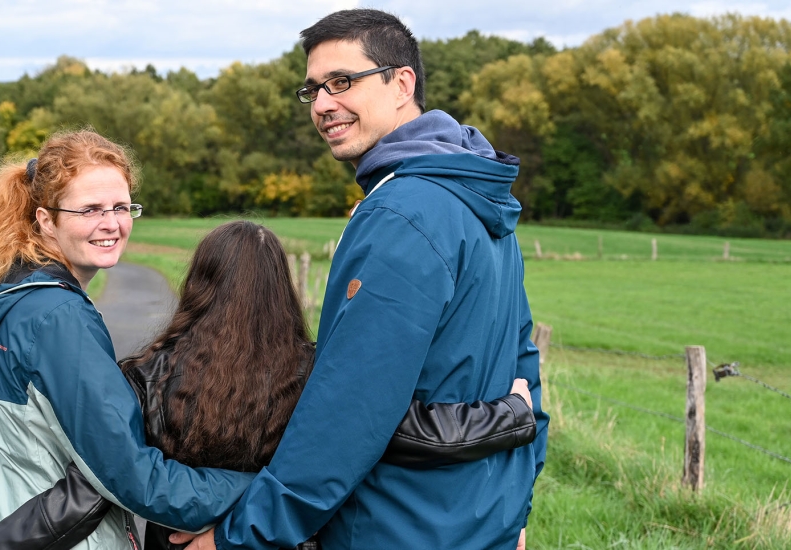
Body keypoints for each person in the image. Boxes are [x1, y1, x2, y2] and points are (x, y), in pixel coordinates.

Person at [175, 9, 549, 550]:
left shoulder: (402, 214)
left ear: (402, 83)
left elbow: (348, 412)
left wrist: (240, 535)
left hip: (397, 527)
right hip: (480, 524)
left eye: (342, 82)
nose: (324, 104)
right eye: (313, 90)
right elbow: (526, 372)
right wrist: (516, 510)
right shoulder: (476, 198)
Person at [0, 220, 539, 550]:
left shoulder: (145, 374)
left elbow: (91, 488)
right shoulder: (320, 374)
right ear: (283, 291)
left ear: (198, 285)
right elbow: (407, 431)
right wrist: (511, 414)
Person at [0, 129, 256, 550]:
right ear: (46, 220)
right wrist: (252, 488)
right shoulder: (58, 318)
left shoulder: (7, 298)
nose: (111, 224)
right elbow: (131, 476)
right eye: (89, 210)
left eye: (121, 207)